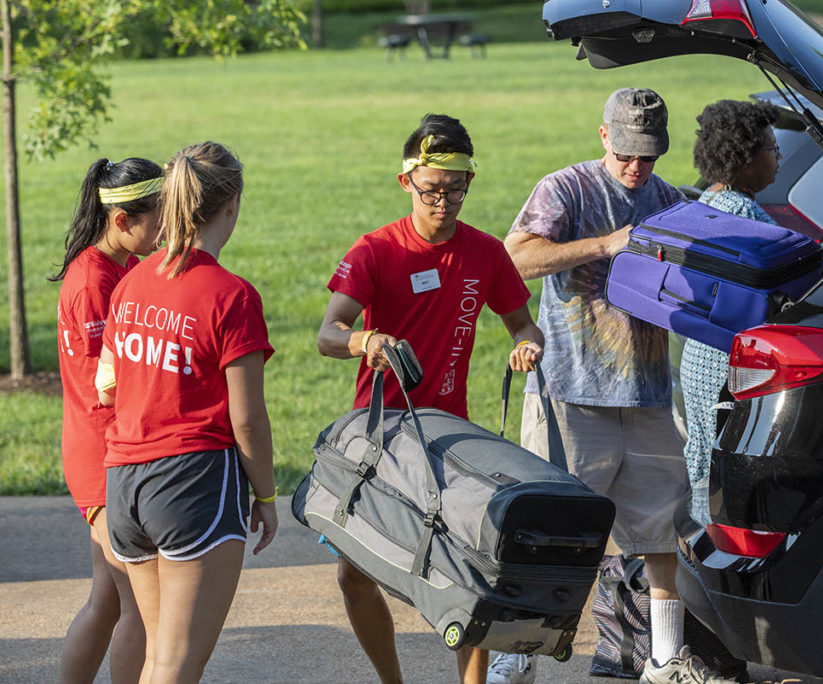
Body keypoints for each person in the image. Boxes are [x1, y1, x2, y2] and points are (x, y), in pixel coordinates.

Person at [496, 88, 732, 684]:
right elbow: (512, 260)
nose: (635, 166)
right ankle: (515, 651)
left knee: (659, 532)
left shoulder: (669, 200)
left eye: (648, 155)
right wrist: (606, 244)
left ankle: (664, 658)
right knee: (550, 530)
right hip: (570, 394)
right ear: (604, 135)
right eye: (627, 152)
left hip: (647, 393)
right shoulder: (566, 189)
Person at [317, 113, 545, 684]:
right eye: (431, 189)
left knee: (469, 576)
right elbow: (328, 334)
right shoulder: (375, 251)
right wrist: (365, 340)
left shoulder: (486, 253)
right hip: (381, 432)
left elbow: (524, 324)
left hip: (450, 434)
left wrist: (527, 345)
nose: (443, 201)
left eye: (456, 188)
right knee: (353, 574)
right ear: (406, 184)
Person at [98, 141, 277, 683]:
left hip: (124, 482)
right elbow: (246, 419)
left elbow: (107, 385)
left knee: (159, 656)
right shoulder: (231, 295)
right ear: (232, 204)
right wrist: (266, 496)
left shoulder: (131, 281)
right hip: (191, 481)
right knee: (176, 664)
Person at [52, 157, 162, 684]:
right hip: (103, 458)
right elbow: (110, 379)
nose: (165, 232)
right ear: (121, 221)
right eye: (156, 221)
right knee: (137, 605)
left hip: (102, 450)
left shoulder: (117, 265)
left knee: (108, 600)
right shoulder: (94, 280)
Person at [681, 99, 782, 525]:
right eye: (773, 150)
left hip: (699, 356)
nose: (778, 158)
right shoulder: (748, 218)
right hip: (728, 364)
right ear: (746, 159)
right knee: (728, 463)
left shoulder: (708, 201)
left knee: (704, 454)